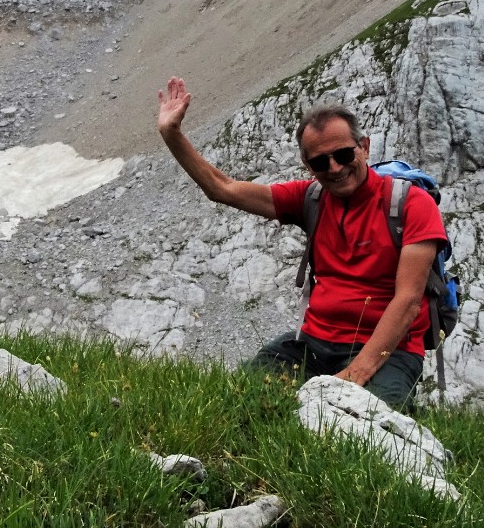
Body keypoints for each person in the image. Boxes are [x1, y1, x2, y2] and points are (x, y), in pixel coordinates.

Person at [156, 76, 446, 409]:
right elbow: (222, 189)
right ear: (308, 165)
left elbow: (408, 301)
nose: (335, 168)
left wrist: (352, 377)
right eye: (320, 162)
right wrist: (172, 134)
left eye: (343, 154)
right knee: (236, 402)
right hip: (312, 345)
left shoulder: (411, 205)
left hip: (389, 352)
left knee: (364, 427)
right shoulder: (309, 198)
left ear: (364, 147)